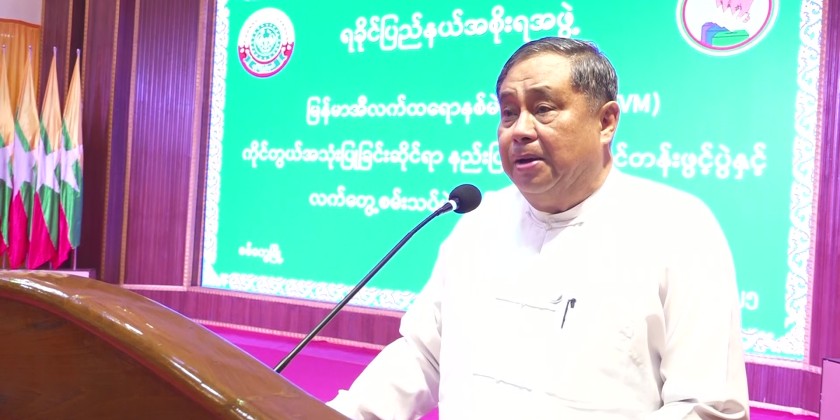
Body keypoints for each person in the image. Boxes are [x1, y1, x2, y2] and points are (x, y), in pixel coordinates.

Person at [327, 37, 749, 419]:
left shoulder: (677, 229)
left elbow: (707, 407)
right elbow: (423, 357)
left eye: (543, 109)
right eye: (509, 113)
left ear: (606, 122)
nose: (520, 131)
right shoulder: (478, 224)